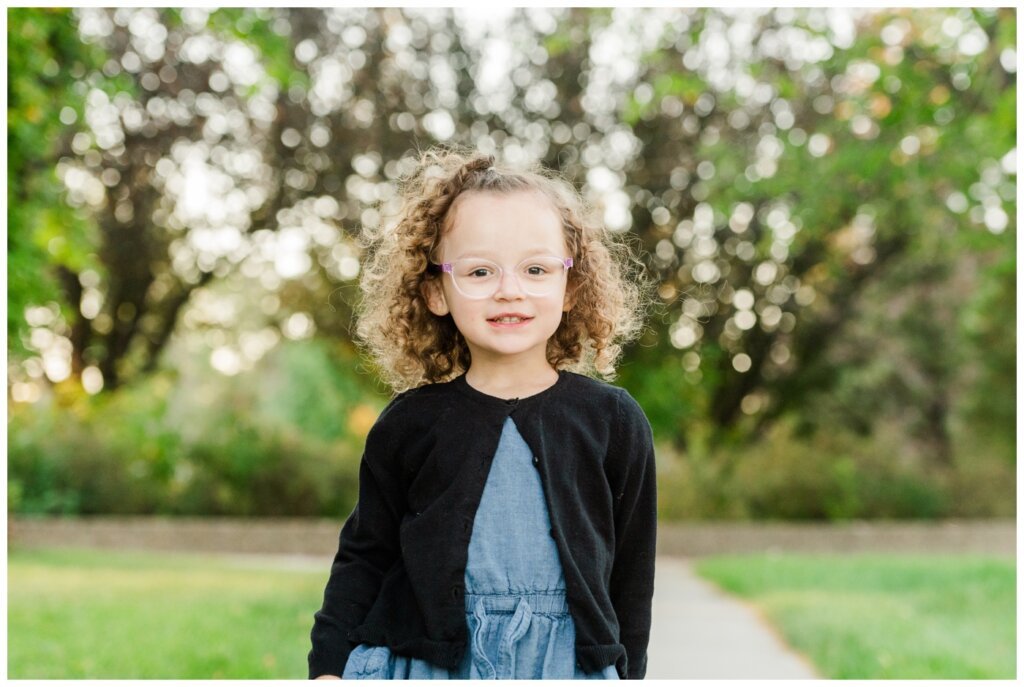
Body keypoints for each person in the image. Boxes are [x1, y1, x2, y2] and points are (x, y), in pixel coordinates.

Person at [308, 147, 657, 680]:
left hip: (563, 665)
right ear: (435, 292)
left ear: (571, 288)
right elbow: (365, 554)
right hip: (429, 663)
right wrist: (328, 667)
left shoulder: (612, 420)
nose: (508, 290)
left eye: (536, 268)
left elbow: (632, 573)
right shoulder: (409, 424)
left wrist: (631, 674)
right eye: (479, 271)